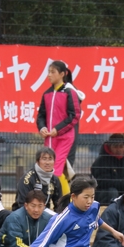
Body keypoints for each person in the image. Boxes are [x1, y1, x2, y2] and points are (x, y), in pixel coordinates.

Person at [36, 60, 85, 195]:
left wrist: (58, 129)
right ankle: (60, 199)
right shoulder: (46, 94)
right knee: (48, 169)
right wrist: (42, 128)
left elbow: (74, 115)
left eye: (53, 72)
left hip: (65, 138)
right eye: (48, 72)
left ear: (62, 74)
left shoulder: (70, 92)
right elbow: (41, 115)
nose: (49, 75)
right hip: (49, 139)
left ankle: (63, 201)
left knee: (56, 169)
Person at [12, 147, 62, 212]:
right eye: (44, 159)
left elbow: (59, 204)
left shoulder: (55, 180)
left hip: (44, 214)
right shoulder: (28, 179)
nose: (47, 162)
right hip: (25, 213)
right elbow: (22, 203)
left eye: (50, 159)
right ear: (37, 161)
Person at [91, 134, 124, 205]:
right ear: (109, 147)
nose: (119, 150)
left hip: (123, 190)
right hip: (104, 193)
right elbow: (103, 182)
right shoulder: (101, 161)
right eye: (115, 147)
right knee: (112, 191)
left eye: (121, 146)